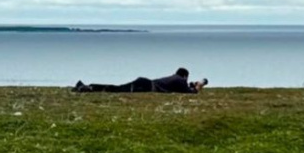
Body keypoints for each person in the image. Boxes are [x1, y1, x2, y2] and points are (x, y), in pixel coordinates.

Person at [73, 67, 208, 94]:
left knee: (118, 88)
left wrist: (191, 85)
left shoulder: (174, 78)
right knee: (118, 90)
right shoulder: (180, 80)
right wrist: (198, 86)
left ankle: (87, 87)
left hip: (145, 82)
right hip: (146, 86)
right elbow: (190, 93)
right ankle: (88, 88)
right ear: (185, 76)